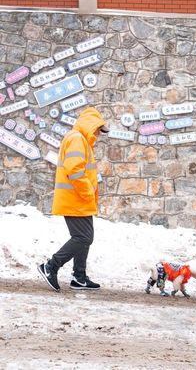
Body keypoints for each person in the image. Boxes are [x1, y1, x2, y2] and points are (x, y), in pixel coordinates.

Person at [37, 107, 109, 292]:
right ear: (90, 125)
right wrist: (86, 193)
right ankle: (51, 266)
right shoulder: (77, 139)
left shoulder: (81, 140)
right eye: (97, 130)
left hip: (80, 200)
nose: (98, 135)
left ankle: (79, 277)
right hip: (76, 199)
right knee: (83, 237)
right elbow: (74, 170)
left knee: (84, 237)